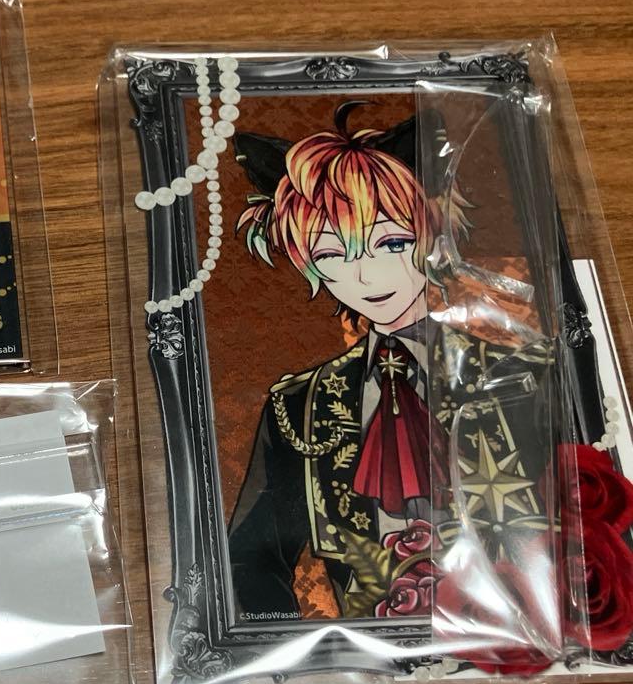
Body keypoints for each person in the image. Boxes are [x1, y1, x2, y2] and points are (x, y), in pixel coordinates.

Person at [228, 102, 547, 621]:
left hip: (523, 637)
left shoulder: (520, 374)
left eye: (392, 242)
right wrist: (311, 653)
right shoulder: (301, 407)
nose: (367, 277)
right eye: (331, 254)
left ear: (434, 234)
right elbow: (249, 560)